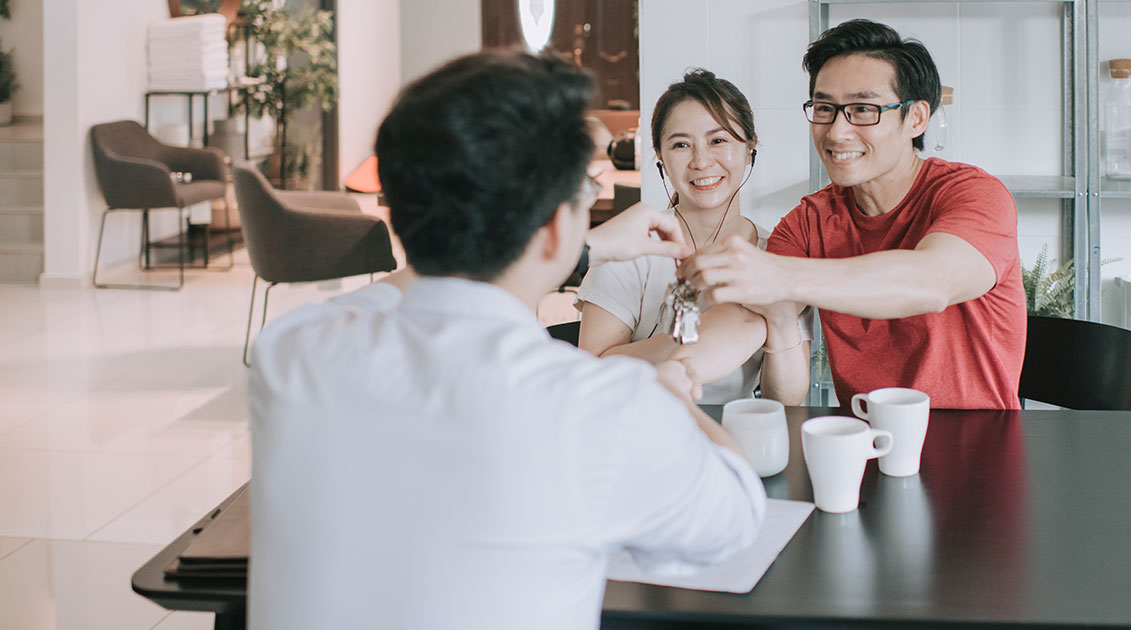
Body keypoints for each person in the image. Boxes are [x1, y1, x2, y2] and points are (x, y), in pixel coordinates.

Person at [247, 51, 766, 630]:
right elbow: (739, 513)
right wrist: (669, 388)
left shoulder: (293, 351)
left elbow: (405, 283)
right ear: (552, 226)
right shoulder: (602, 408)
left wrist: (580, 243)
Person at [682, 19, 1026, 410]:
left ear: (915, 118)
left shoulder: (973, 195)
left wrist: (778, 275)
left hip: (977, 447)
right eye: (825, 108)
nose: (837, 131)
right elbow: (745, 324)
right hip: (861, 443)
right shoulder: (808, 224)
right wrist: (674, 368)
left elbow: (932, 282)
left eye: (863, 109)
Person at [576, 69, 810, 405]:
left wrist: (778, 318)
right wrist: (702, 335)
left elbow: (784, 399)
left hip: (730, 431)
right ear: (660, 156)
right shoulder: (635, 245)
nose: (702, 161)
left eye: (718, 140)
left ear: (750, 148)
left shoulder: (775, 252)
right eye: (681, 145)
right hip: (634, 419)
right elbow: (593, 369)